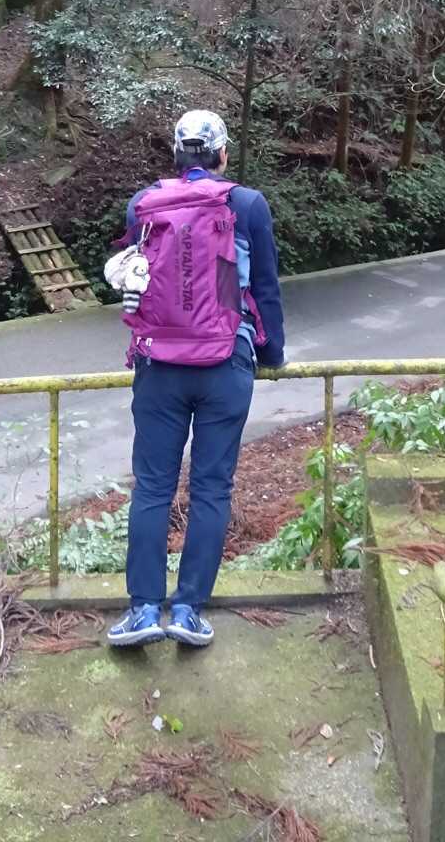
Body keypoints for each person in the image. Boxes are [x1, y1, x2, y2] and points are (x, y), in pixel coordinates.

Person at [103, 109, 285, 648]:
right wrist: (270, 354)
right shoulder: (246, 204)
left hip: (159, 363)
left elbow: (137, 274)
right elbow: (264, 286)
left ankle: (142, 611)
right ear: (223, 154)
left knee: (153, 486)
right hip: (226, 361)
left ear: (177, 154)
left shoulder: (144, 204)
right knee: (211, 487)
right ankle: (187, 611)